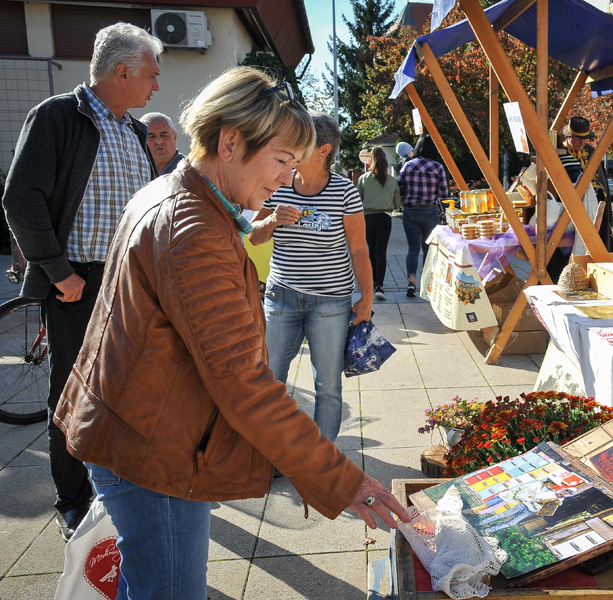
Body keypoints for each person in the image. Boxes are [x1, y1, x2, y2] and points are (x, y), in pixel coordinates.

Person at [54, 67, 410, 598]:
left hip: (136, 428)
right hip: (153, 451)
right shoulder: (192, 230)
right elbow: (242, 379)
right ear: (230, 141)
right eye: (282, 160)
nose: (286, 178)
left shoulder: (178, 195)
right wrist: (340, 479)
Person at [1, 23, 162, 542]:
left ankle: (115, 485)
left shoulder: (133, 130)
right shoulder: (56, 117)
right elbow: (20, 198)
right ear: (122, 71)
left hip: (128, 284)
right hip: (78, 282)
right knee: (73, 394)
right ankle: (74, 501)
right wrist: (57, 271)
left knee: (124, 388)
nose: (155, 86)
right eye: (151, 75)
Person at [249, 112, 373, 444]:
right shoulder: (279, 185)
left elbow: (359, 248)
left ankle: (322, 459)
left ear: (323, 150)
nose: (294, 149)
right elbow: (254, 237)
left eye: (303, 142)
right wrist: (273, 219)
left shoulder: (345, 191)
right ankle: (273, 451)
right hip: (281, 297)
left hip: (331, 302)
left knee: (328, 385)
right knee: (270, 379)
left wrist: (367, 298)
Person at [397, 134, 449, 298]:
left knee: (413, 249)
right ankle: (428, 284)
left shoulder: (408, 166)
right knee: (429, 249)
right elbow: (444, 193)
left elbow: (398, 186)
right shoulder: (438, 167)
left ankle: (411, 283)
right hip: (429, 211)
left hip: (410, 210)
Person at [562, 116, 613, 251]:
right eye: (578, 139)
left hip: (590, 208)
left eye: (585, 139)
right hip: (564, 208)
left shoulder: (591, 152)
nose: (582, 143)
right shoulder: (560, 152)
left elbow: (600, 180)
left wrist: (596, 192)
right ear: (569, 136)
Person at [358, 146, 402, 301]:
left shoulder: (364, 179)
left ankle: (372, 281)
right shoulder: (391, 180)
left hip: (368, 218)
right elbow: (397, 204)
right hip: (385, 218)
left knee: (371, 251)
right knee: (381, 252)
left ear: (370, 160)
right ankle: (380, 286)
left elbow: (358, 200)